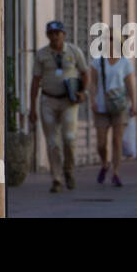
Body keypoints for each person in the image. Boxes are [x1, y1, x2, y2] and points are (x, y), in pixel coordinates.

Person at [28, 20, 88, 191]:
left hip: (68, 101)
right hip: (48, 100)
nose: (55, 36)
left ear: (64, 34)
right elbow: (35, 81)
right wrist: (32, 107)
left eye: (58, 33)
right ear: (48, 35)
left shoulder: (74, 51)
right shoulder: (41, 55)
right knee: (52, 142)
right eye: (51, 33)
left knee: (69, 138)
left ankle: (68, 170)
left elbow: (85, 73)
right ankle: (57, 178)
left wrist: (83, 92)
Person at [88, 36, 136, 188]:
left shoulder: (125, 63)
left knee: (117, 140)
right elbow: (93, 83)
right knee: (101, 143)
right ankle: (104, 163)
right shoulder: (97, 61)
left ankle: (116, 172)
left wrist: (134, 103)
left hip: (119, 106)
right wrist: (93, 101)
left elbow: (130, 84)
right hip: (101, 106)